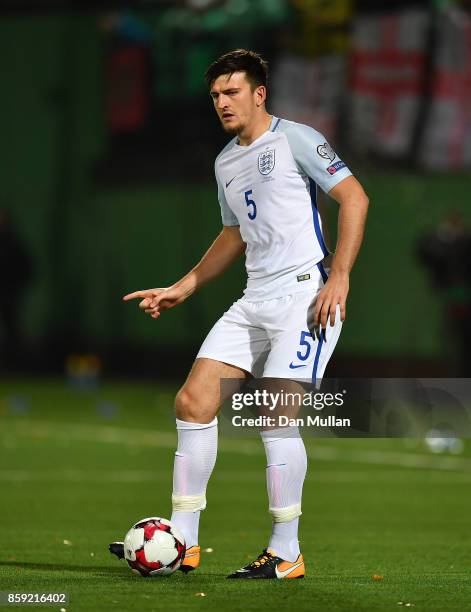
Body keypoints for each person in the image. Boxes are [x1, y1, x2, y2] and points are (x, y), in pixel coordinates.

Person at [110, 50, 369, 579]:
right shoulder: (225, 160)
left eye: (231, 93)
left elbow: (355, 198)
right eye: (215, 96)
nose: (222, 103)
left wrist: (338, 276)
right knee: (193, 399)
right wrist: (184, 286)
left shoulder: (297, 138)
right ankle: (184, 540)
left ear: (259, 94)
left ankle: (286, 551)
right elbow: (234, 234)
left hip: (304, 295)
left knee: (275, 416)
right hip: (255, 297)